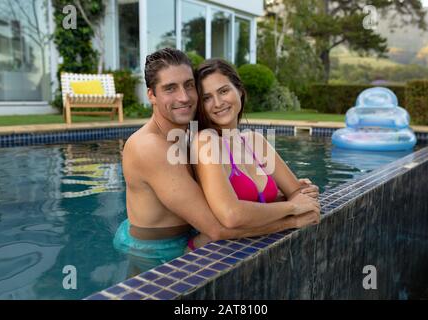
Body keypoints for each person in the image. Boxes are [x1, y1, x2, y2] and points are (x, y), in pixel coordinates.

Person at [113, 48, 320, 274]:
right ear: (151, 95)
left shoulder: (190, 136)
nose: (183, 97)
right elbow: (219, 227)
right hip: (155, 251)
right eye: (170, 88)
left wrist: (284, 193)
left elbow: (221, 195)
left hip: (189, 234)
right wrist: (291, 217)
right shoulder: (150, 147)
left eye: (189, 85)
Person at [187, 58, 320, 248]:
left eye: (223, 91)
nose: (217, 103)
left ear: (239, 90)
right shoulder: (205, 142)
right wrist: (291, 207)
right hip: (209, 258)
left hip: (254, 250)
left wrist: (296, 196)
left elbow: (299, 193)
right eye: (207, 98)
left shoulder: (255, 141)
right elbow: (231, 215)